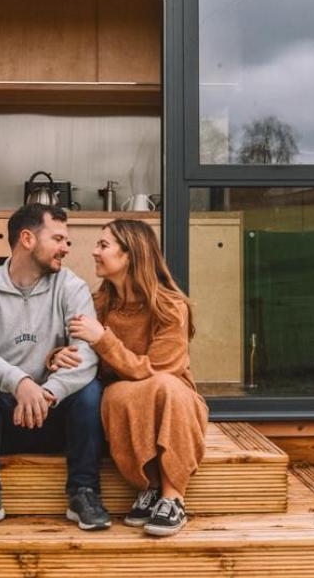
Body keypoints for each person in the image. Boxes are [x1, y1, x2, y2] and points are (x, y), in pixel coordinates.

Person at [0, 203, 111, 535]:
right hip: (4, 422)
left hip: (56, 417)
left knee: (90, 390)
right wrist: (20, 381)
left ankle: (83, 491)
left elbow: (87, 354)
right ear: (27, 239)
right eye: (58, 239)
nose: (66, 248)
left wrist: (49, 392)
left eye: (67, 241)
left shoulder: (72, 287)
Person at [50, 218, 208, 537]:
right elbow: (72, 349)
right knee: (115, 393)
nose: (94, 251)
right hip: (122, 401)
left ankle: (173, 495)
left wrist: (103, 339)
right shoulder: (98, 304)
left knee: (163, 385)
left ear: (130, 254)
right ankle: (148, 486)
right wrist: (56, 357)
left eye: (103, 245)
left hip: (173, 401)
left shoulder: (170, 307)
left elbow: (159, 369)